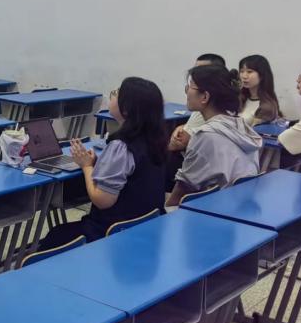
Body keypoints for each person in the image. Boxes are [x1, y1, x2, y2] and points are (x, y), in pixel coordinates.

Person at [38, 77, 168, 248]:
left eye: (117, 93)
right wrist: (100, 163)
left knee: (55, 236)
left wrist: (86, 166)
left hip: (113, 234)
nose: (112, 96)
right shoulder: (156, 140)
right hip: (147, 227)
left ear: (126, 109)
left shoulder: (121, 146)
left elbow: (102, 200)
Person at [167, 65, 261, 206]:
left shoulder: (205, 136)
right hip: (240, 205)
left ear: (205, 97)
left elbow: (184, 188)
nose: (187, 92)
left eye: (190, 87)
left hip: (215, 209)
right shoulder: (242, 128)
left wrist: (166, 208)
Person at [238, 55, 282, 126]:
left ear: (262, 75)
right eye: (242, 71)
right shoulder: (239, 97)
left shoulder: (266, 107)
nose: (244, 76)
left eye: (249, 72)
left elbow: (254, 132)